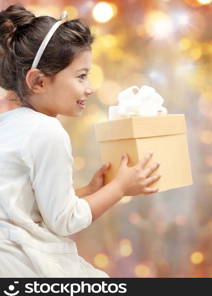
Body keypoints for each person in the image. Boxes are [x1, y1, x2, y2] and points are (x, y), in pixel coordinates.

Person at [0, 5, 161, 277]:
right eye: (81, 76)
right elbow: (64, 221)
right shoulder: (46, 131)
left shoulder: (9, 123)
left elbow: (32, 207)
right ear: (38, 81)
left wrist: (88, 190)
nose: (90, 88)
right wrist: (120, 187)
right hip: (21, 262)